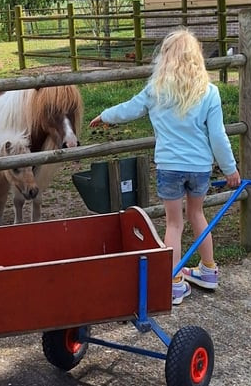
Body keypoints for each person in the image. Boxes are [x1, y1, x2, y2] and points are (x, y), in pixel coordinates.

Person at [89, 29, 240, 305]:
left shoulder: (156, 90)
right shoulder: (209, 92)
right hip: (199, 168)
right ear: (196, 58)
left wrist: (105, 115)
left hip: (169, 167)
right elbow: (218, 136)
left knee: (174, 223)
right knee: (197, 215)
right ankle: (208, 270)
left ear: (165, 58)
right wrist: (230, 169)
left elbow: (130, 108)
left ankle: (173, 282)